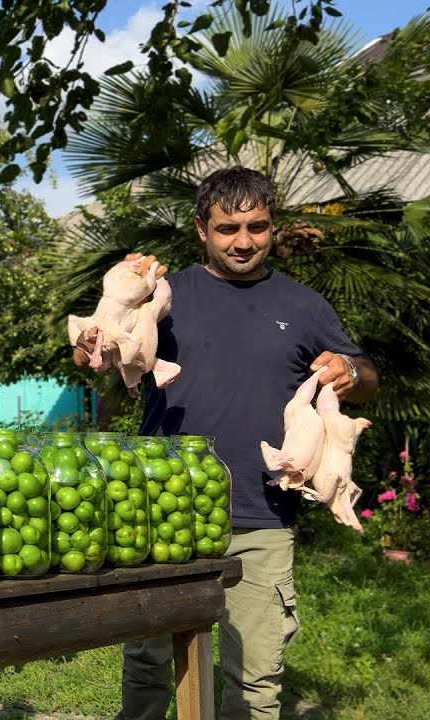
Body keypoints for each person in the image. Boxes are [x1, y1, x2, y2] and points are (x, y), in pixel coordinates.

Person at [73, 167, 378, 720]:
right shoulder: (165, 295)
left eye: (257, 227)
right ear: (201, 230)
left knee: (256, 682)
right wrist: (109, 313)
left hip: (262, 513)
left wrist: (348, 374)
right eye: (227, 228)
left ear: (272, 226)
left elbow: (365, 374)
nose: (243, 241)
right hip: (163, 510)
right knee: (146, 667)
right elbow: (97, 353)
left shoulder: (303, 304)